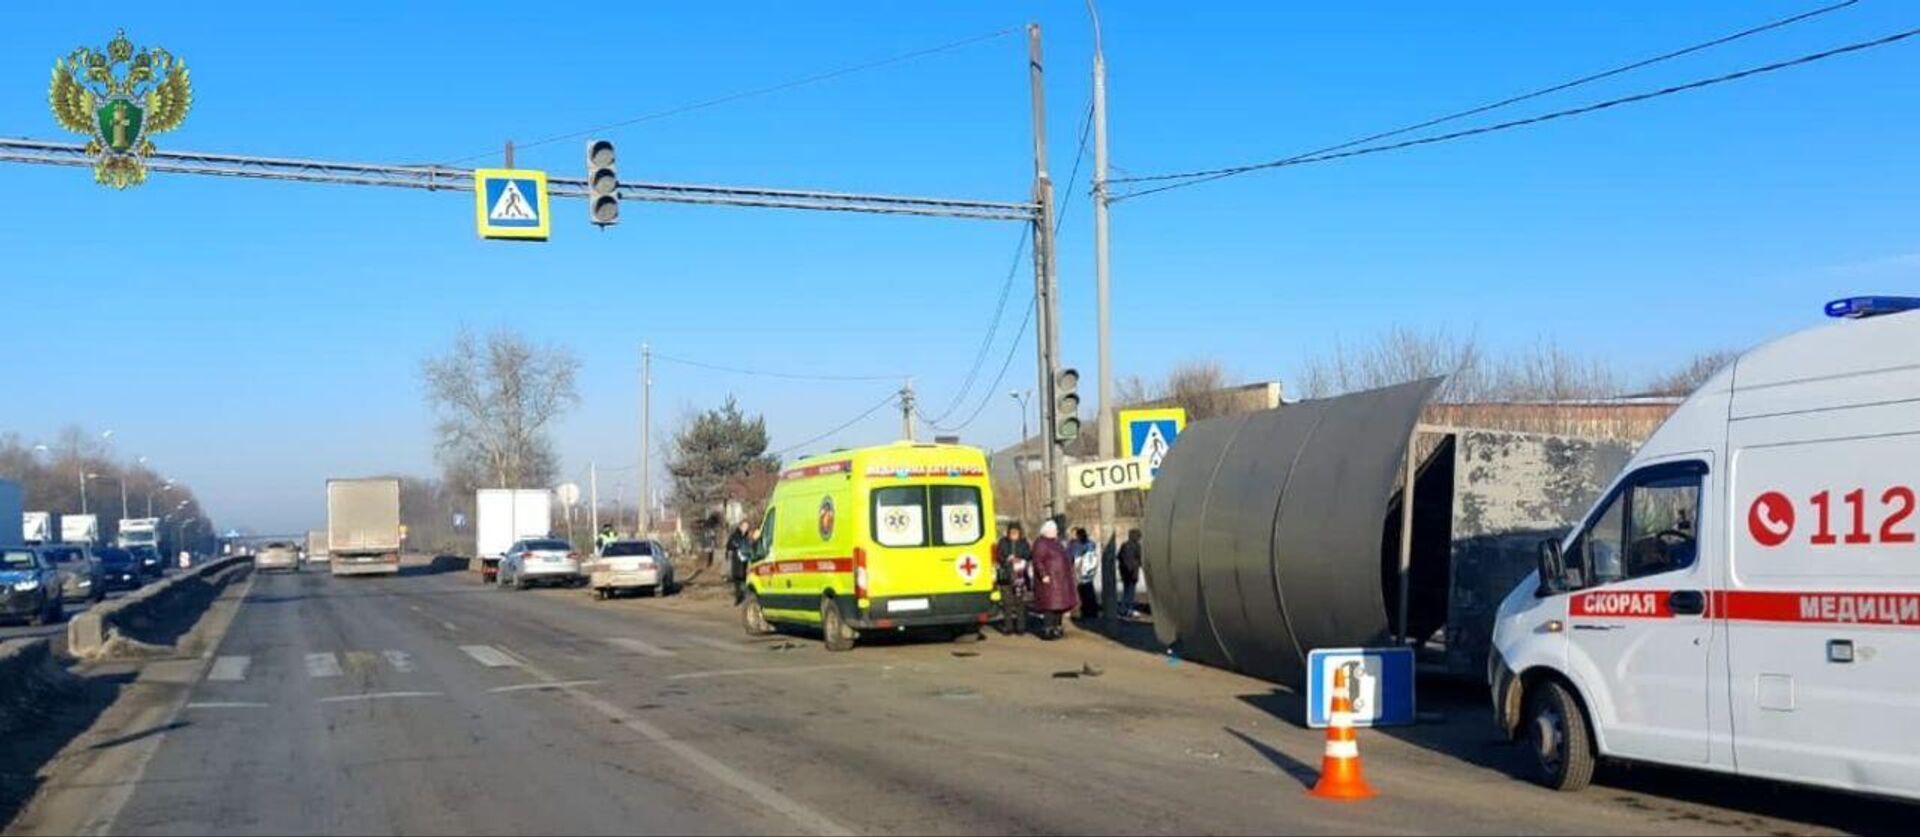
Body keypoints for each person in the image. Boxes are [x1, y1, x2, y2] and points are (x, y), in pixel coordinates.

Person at [1028, 520, 1077, 640]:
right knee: (1049, 607)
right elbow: (1038, 561)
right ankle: (1048, 629)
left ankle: (1057, 627)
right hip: (1049, 581)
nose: (1056, 532)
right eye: (1054, 530)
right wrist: (1043, 575)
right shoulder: (1041, 543)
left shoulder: (1057, 543)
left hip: (1060, 580)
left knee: (1059, 606)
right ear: (1047, 531)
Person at [993, 523, 1032, 635]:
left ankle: (1021, 627)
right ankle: (1008, 626)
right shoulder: (1003, 542)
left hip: (1019, 577)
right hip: (1006, 576)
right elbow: (998, 556)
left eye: (1016, 533)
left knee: (1020, 603)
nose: (1013, 535)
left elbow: (1028, 555)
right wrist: (1006, 559)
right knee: (1007, 603)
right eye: (1011, 533)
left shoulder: (1023, 543)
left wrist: (1020, 559)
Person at [1070, 527, 1100, 621]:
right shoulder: (1091, 544)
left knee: (1081, 593)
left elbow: (1072, 557)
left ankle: (1083, 612)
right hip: (1089, 572)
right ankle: (1092, 611)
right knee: (1089, 591)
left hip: (1079, 572)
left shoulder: (1076, 545)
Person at [726, 521, 754, 604]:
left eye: (747, 526)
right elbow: (729, 545)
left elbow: (750, 545)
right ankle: (738, 597)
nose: (746, 528)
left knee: (745, 578)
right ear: (740, 526)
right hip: (737, 561)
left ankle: (745, 596)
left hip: (745, 560)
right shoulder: (735, 535)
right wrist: (736, 545)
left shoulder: (747, 536)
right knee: (737, 580)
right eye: (745, 526)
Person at [1117, 528, 1143, 619]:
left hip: (1124, 573)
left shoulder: (1124, 545)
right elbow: (1140, 559)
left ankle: (1123, 609)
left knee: (1126, 592)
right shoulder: (1137, 546)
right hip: (1133, 573)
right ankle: (1128, 610)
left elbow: (1119, 557)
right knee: (1131, 592)